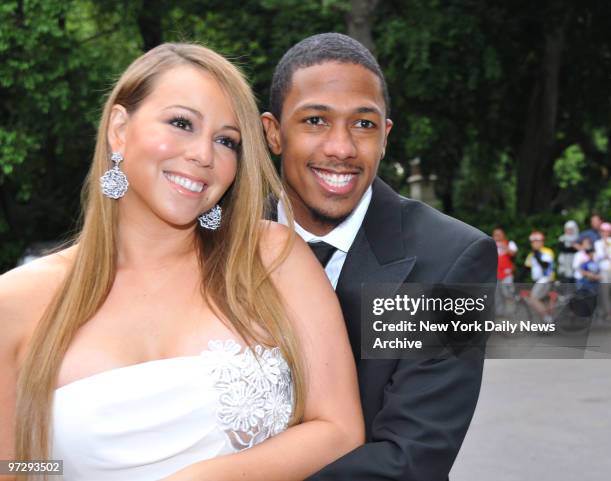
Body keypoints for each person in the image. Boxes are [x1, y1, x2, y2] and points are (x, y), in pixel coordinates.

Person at [0, 43, 364, 481]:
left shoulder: (271, 257)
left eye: (226, 141)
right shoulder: (16, 302)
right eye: (181, 123)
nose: (204, 155)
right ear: (119, 129)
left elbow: (339, 429)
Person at [261, 33, 497, 481]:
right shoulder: (217, 235)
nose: (342, 148)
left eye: (364, 124)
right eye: (315, 120)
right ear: (273, 132)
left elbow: (411, 459)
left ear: (385, 136)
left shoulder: (451, 261)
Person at [524, 231, 555, 323]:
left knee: (533, 298)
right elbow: (526, 269)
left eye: (536, 241)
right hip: (538, 281)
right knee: (539, 301)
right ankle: (546, 322)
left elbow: (545, 266)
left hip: (546, 279)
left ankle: (548, 319)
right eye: (532, 242)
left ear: (542, 242)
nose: (534, 243)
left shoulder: (547, 252)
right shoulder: (531, 255)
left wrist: (537, 255)